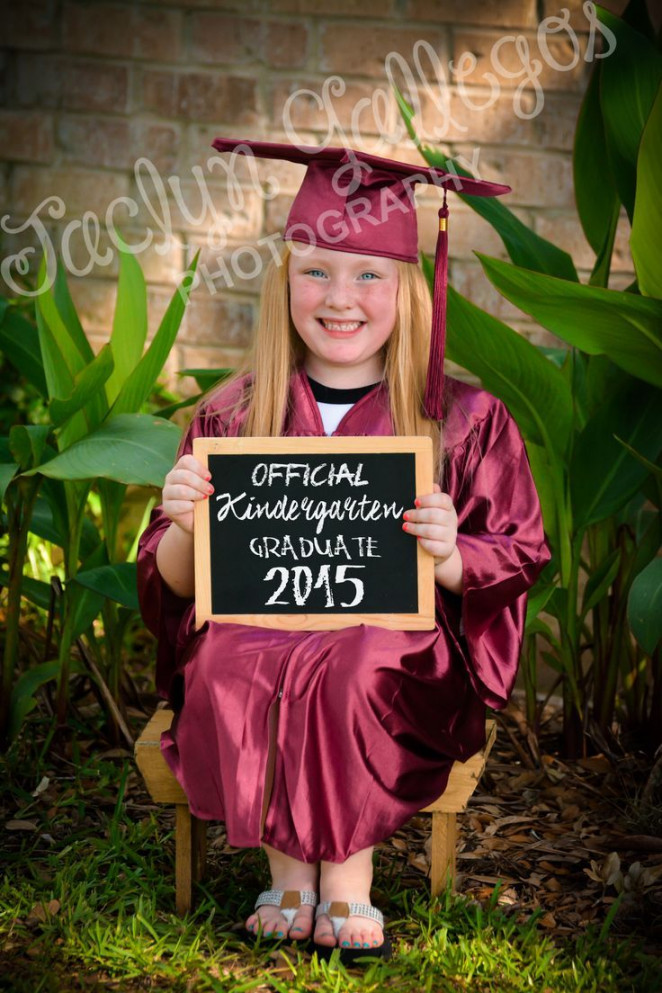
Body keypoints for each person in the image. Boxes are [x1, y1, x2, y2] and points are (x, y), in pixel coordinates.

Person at [137, 138, 550, 964]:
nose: (341, 298)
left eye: (369, 275)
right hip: (262, 629)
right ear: (284, 282)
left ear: (409, 288)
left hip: (399, 654)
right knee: (229, 657)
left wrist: (450, 557)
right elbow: (171, 586)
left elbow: (520, 551)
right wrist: (182, 526)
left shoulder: (463, 420)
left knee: (358, 656)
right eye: (317, 271)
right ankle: (288, 874)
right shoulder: (233, 414)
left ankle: (347, 880)